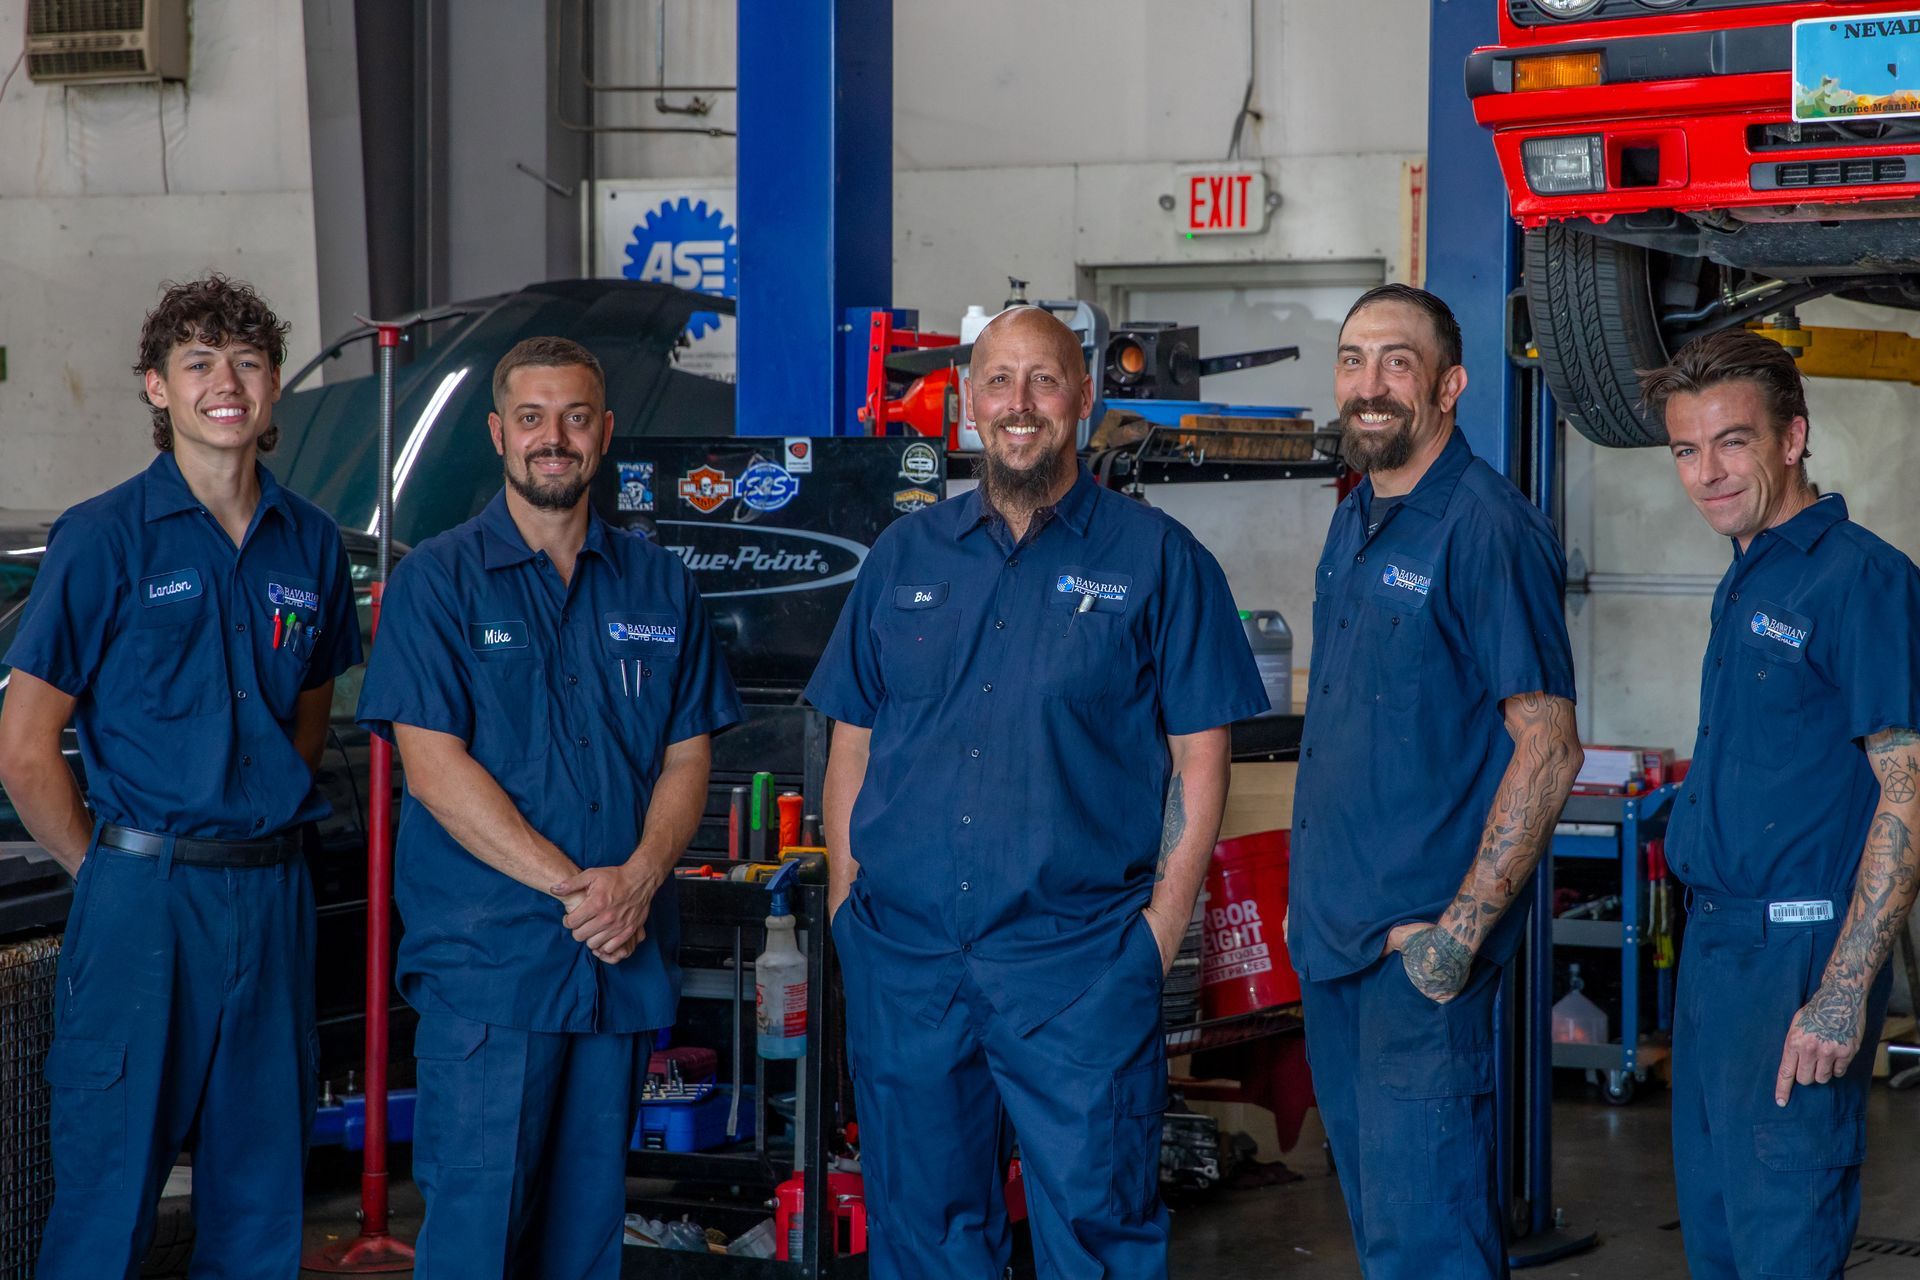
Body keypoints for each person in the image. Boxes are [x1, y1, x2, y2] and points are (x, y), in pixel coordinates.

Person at [806, 305, 1267, 1279]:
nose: (1021, 402)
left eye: (1045, 379)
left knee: (1096, 1229)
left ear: (1085, 396)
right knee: (924, 1230)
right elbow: (852, 740)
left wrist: (1157, 930)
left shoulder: (1158, 559)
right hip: (909, 960)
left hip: (1079, 963)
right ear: (969, 401)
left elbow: (1199, 756)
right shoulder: (905, 558)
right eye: (1000, 381)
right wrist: (850, 907)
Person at [353, 336, 739, 1279]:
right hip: (493, 973)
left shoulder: (659, 584)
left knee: (585, 1244)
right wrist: (583, 893)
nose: (552, 439)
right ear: (498, 434)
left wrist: (640, 879)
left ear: (605, 434)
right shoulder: (437, 584)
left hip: (614, 975)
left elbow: (689, 756)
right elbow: (434, 768)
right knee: (477, 1243)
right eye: (531, 418)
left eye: (574, 418)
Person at [0, 276, 362, 1278]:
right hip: (144, 897)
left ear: (275, 383)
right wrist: (113, 872)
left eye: (246, 360)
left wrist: (248, 829)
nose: (226, 383)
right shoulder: (104, 538)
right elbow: (26, 745)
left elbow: (309, 714)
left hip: (273, 890)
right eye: (198, 362)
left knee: (261, 1195)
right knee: (109, 1189)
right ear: (157, 388)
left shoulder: (313, 546)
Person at [1288, 284, 1582, 1277]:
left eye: (1398, 362)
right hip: (1336, 945)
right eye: (1353, 359)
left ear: (1449, 385)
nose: (1369, 385)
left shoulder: (1486, 526)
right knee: (1383, 1230)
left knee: (1431, 1242)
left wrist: (1459, 931)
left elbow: (1547, 747)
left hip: (1416, 953)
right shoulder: (1356, 521)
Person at [1642, 329, 1920, 1279]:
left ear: (1793, 436)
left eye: (1733, 441)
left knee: (1783, 1241)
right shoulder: (1748, 573)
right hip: (1717, 955)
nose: (1707, 473)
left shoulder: (1862, 579)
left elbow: (1910, 795)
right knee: (1720, 1239)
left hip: (1796, 957)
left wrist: (1843, 996)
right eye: (1686, 448)